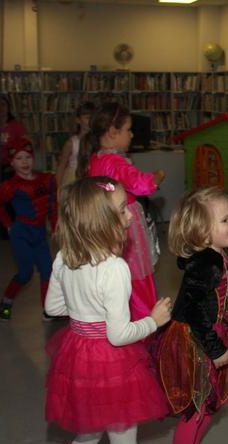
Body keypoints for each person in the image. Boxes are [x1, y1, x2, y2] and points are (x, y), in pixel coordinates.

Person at [44, 176, 172, 444]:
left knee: (86, 436)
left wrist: (83, 312)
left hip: (79, 357)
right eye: (122, 210)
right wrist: (153, 321)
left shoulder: (64, 257)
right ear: (101, 222)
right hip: (111, 362)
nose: (130, 215)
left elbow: (53, 307)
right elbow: (118, 335)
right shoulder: (115, 268)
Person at [158, 187, 228, 444]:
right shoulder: (208, 264)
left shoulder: (214, 255)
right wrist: (215, 347)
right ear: (203, 234)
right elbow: (192, 310)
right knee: (195, 408)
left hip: (208, 331)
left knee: (210, 403)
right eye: (224, 220)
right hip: (195, 341)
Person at [79, 102, 166, 321]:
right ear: (112, 132)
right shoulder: (114, 161)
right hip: (125, 225)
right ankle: (145, 325)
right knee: (136, 280)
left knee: (119, 279)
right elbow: (141, 184)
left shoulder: (97, 158)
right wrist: (157, 176)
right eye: (128, 129)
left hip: (107, 223)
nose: (132, 134)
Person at [0, 137, 57, 321]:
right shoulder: (9, 186)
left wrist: (55, 226)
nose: (24, 162)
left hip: (39, 234)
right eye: (19, 158)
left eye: (27, 157)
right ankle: (6, 302)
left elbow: (52, 205)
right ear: (11, 162)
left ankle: (48, 310)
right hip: (21, 234)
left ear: (33, 158)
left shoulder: (46, 179)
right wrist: (8, 224)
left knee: (47, 272)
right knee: (25, 274)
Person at [55, 101, 95, 197]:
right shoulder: (71, 143)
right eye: (87, 118)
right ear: (78, 120)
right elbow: (61, 166)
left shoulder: (98, 140)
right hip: (74, 177)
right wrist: (58, 188)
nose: (90, 121)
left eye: (93, 118)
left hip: (91, 176)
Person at [0, 93, 28, 177]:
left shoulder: (16, 127)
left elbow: (26, 147)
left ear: (8, 108)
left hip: (11, 167)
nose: (0, 108)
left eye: (3, 105)